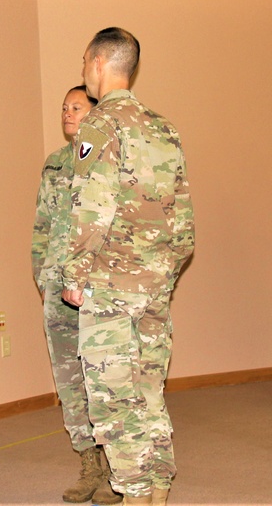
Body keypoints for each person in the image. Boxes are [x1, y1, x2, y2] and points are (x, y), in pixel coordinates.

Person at [61, 28, 195, 506]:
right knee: (148, 390)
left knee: (115, 401)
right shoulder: (163, 128)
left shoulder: (100, 125)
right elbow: (183, 220)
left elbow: (91, 210)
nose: (83, 72)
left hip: (110, 287)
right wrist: (163, 273)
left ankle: (135, 496)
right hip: (155, 284)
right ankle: (158, 490)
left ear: (98, 63)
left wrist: (74, 276)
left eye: (84, 62)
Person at [32, 86, 121, 505]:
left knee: (102, 375)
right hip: (57, 285)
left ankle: (117, 468)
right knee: (69, 379)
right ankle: (89, 463)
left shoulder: (108, 157)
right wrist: (42, 274)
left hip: (97, 285)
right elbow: (43, 224)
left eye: (76, 107)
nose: (68, 113)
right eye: (64, 108)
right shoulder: (54, 163)